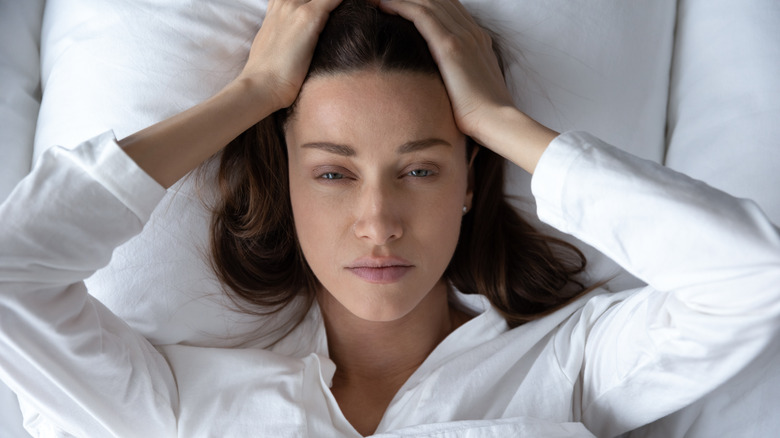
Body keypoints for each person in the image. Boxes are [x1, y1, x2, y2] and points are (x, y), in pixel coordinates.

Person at [0, 0, 777, 436]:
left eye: (418, 169)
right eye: (334, 173)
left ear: (469, 184)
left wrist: (501, 122)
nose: (378, 222)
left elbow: (753, 277)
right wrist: (252, 95)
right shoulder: (175, 403)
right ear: (291, 184)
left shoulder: (566, 367)